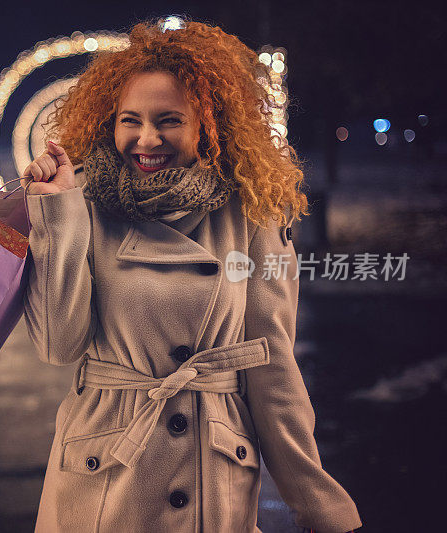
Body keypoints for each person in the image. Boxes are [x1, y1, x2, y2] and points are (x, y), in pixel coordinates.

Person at [18, 17, 361, 533]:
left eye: (169, 120)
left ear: (209, 124)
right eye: (129, 119)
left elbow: (273, 371)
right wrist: (57, 216)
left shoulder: (252, 212)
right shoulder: (80, 202)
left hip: (211, 474)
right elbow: (57, 347)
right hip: (105, 475)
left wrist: (319, 503)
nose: (146, 138)